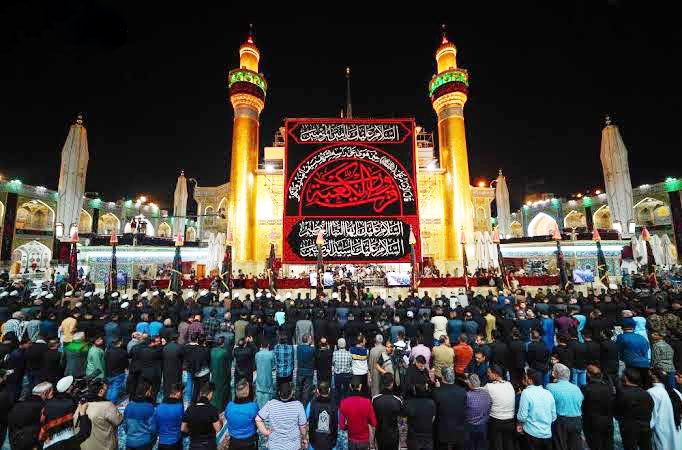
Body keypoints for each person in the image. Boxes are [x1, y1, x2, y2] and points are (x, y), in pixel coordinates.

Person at [256, 381, 308, 450]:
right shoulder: (298, 405)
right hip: (293, 446)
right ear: (291, 393)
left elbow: (258, 419)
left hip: (274, 446)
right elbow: (303, 426)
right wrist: (304, 438)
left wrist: (265, 432)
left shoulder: (271, 404)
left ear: (279, 393)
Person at [75, 379, 123, 450]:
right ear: (101, 391)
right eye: (106, 389)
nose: (107, 391)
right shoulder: (107, 405)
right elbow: (119, 420)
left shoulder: (80, 406)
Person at [546, 363, 583, 450]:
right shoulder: (576, 388)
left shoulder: (549, 387)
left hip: (561, 421)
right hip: (577, 420)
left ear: (555, 374)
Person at [517, 369, 556, 450]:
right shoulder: (548, 393)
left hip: (531, 434)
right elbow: (553, 416)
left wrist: (519, 424)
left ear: (530, 380)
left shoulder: (526, 393)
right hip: (547, 435)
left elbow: (522, 417)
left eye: (526, 377)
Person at [616, 367, 654, 450]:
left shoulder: (623, 394)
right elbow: (651, 407)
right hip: (645, 427)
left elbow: (617, 411)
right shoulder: (646, 393)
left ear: (626, 378)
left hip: (629, 429)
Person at [8, 381, 52, 450]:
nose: (52, 395)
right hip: (31, 442)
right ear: (45, 393)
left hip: (15, 441)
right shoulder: (42, 407)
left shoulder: (17, 405)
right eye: (51, 393)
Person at [432, 367, 468, 449]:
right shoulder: (462, 391)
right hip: (459, 429)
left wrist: (438, 388)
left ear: (443, 377)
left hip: (442, 430)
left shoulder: (437, 392)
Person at [581, 364, 615, 450]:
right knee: (608, 445)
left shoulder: (586, 389)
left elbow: (582, 406)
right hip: (608, 422)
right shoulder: (608, 388)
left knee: (595, 446)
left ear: (588, 375)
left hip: (592, 423)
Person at [647, 368, 682, 450]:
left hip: (662, 437)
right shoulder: (676, 392)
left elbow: (650, 420)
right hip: (678, 436)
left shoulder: (652, 393)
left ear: (654, 377)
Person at [339, 376, 377, 450]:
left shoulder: (343, 403)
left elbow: (342, 426)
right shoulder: (367, 402)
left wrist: (348, 426)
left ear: (350, 386)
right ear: (360, 386)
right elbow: (374, 423)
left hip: (351, 439)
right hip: (364, 440)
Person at [483, 364, 515, 450]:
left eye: (489, 372)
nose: (487, 374)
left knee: (497, 445)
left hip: (496, 421)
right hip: (510, 420)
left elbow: (478, 390)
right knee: (509, 444)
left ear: (495, 374)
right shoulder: (509, 384)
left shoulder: (489, 386)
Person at [182, 382, 222, 450]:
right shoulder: (212, 409)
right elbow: (218, 428)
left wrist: (191, 432)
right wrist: (221, 421)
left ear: (200, 394)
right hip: (208, 445)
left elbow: (183, 428)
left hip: (194, 445)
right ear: (211, 393)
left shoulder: (190, 409)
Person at [225, 379, 259, 450]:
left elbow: (227, 417)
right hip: (249, 441)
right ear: (247, 392)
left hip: (234, 441)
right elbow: (258, 422)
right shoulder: (253, 406)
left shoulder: (229, 406)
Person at [123, 381, 158, 450]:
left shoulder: (129, 406)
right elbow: (153, 429)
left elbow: (125, 426)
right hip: (144, 443)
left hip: (130, 442)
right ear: (146, 392)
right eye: (150, 391)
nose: (150, 393)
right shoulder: (149, 407)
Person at [372, 373, 403, 450]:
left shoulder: (375, 399)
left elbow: (373, 418)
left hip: (380, 434)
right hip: (393, 435)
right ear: (392, 384)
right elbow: (400, 420)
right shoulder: (397, 400)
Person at [307, 381, 339, 450]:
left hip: (315, 441)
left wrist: (311, 439)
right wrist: (334, 441)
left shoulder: (312, 403)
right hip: (330, 441)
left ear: (318, 391)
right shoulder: (334, 404)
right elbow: (336, 423)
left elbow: (309, 421)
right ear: (329, 390)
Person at [465, 373, 492, 450]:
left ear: (470, 383)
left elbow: (464, 411)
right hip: (483, 426)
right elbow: (489, 408)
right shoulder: (486, 394)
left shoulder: (467, 395)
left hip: (470, 426)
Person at [405, 383, 436, 450]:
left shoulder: (409, 403)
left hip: (413, 436)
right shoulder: (431, 403)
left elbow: (404, 418)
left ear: (415, 392)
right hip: (427, 435)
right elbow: (433, 418)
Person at [155, 383, 185, 450]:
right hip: (175, 443)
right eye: (182, 393)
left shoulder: (159, 407)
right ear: (178, 393)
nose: (182, 395)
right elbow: (182, 425)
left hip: (162, 442)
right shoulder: (180, 407)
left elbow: (156, 425)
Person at [104, 337, 128, 403]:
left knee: (110, 388)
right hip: (119, 373)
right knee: (115, 388)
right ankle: (112, 403)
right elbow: (126, 363)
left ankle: (107, 402)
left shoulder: (108, 351)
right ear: (120, 342)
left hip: (109, 373)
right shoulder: (123, 352)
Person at [209, 336, 229, 410]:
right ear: (223, 343)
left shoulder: (212, 350)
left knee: (213, 390)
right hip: (221, 374)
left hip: (213, 373)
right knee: (220, 391)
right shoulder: (224, 352)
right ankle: (219, 407)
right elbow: (227, 366)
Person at [254, 338, 275, 408]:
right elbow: (273, 366)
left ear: (261, 345)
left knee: (259, 401)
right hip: (268, 379)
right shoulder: (271, 354)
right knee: (268, 402)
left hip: (259, 379)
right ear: (268, 345)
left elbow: (256, 364)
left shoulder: (257, 354)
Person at [297, 334, 316, 406]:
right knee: (306, 390)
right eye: (310, 339)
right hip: (309, 372)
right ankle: (304, 405)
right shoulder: (312, 349)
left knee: (299, 388)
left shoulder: (299, 348)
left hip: (300, 371)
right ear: (308, 340)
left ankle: (298, 403)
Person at [332, 338, 353, 402]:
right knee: (346, 391)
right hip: (346, 375)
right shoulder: (349, 354)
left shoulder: (335, 353)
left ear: (338, 345)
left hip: (338, 375)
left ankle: (338, 403)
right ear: (345, 344)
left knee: (337, 391)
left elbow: (333, 363)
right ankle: (346, 403)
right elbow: (351, 364)